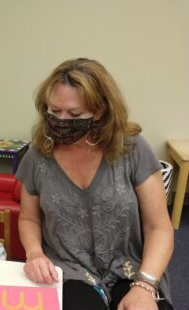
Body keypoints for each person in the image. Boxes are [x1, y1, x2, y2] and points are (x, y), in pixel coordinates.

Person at [17, 58, 174, 310]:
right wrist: (34, 253)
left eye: (75, 114)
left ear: (100, 110)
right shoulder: (39, 155)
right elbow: (28, 218)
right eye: (54, 111)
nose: (61, 120)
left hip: (132, 267)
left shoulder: (132, 149)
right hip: (68, 269)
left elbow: (159, 227)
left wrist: (145, 285)